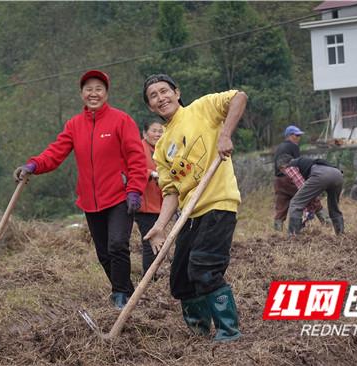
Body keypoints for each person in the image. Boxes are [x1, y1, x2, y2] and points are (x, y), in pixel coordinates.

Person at [13, 70, 147, 310]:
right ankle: (126, 291)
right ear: (81, 93)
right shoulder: (74, 125)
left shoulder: (121, 120)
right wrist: (33, 165)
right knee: (104, 254)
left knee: (117, 244)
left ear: (106, 93)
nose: (93, 93)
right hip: (90, 201)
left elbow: (137, 158)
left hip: (119, 196)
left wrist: (135, 189)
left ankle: (120, 294)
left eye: (98, 89)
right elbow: (55, 153)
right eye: (88, 89)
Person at [142, 74, 247, 342]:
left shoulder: (202, 108)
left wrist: (225, 135)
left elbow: (239, 97)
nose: (160, 97)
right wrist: (159, 226)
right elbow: (171, 191)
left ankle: (229, 332)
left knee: (204, 268)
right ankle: (200, 334)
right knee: (180, 280)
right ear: (150, 106)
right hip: (189, 214)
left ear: (177, 92)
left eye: (164, 91)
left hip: (217, 203)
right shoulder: (162, 147)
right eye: (153, 96)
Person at [272, 125, 330, 231]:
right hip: (290, 179)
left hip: (278, 181)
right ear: (289, 136)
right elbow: (297, 165)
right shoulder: (293, 146)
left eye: (299, 135)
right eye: (297, 135)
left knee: (281, 205)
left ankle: (277, 230)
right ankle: (327, 222)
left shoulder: (280, 147)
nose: (299, 138)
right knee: (311, 198)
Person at [276, 154, 344, 236]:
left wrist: (308, 209)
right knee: (334, 207)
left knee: (295, 203)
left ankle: (293, 236)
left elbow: (301, 185)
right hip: (338, 174)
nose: (284, 173)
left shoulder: (290, 167)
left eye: (282, 170)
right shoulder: (303, 162)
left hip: (321, 175)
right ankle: (340, 234)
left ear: (283, 167)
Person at [134, 121, 164, 277]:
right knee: (150, 241)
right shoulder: (138, 148)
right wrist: (150, 174)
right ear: (145, 133)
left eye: (161, 131)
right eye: (154, 131)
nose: (158, 134)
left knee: (157, 240)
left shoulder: (163, 149)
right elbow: (132, 167)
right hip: (143, 202)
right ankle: (150, 278)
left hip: (159, 202)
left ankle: (153, 275)